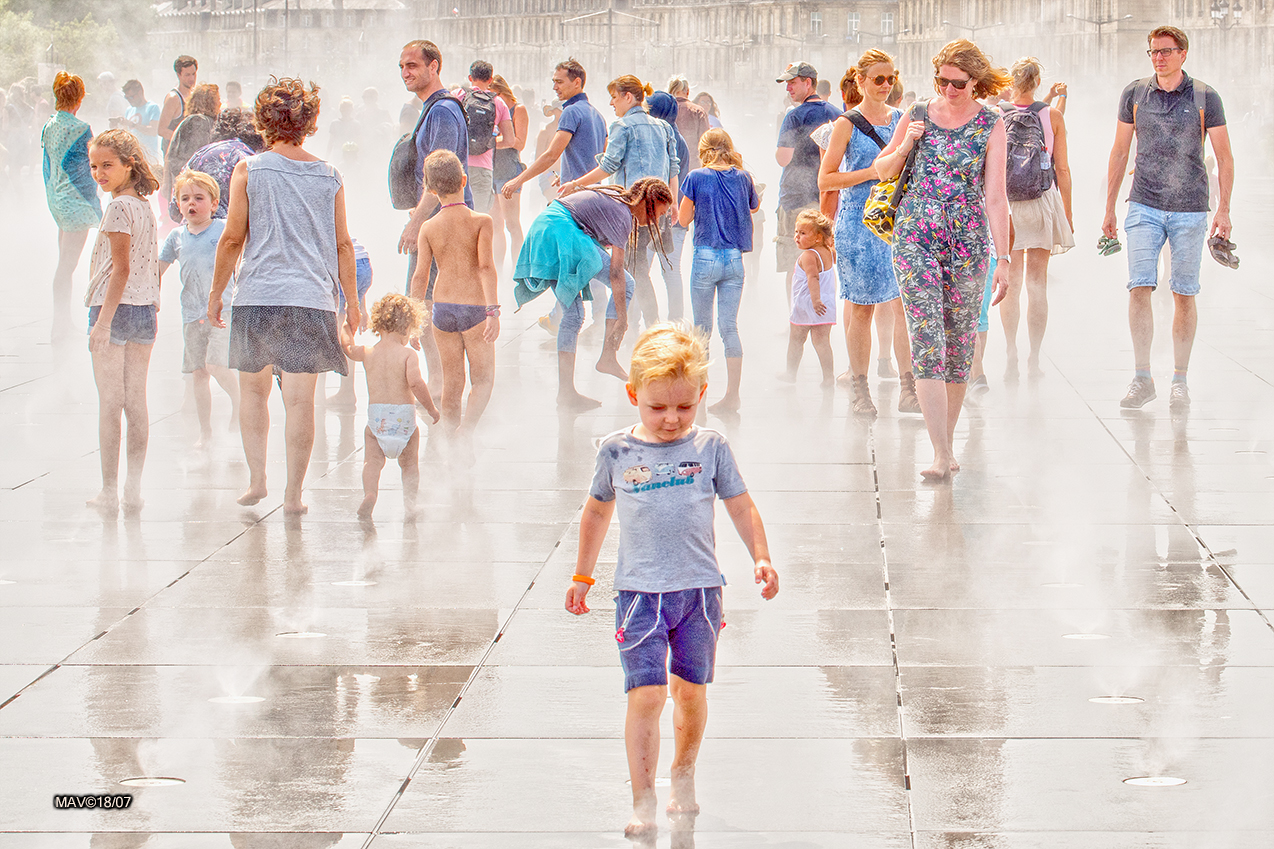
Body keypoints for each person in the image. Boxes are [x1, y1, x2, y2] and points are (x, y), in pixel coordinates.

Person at [566, 321, 778, 838]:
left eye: (684, 407)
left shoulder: (711, 447)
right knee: (646, 695)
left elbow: (741, 505)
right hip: (639, 595)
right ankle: (643, 797)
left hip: (700, 594)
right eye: (657, 407)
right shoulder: (617, 451)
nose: (671, 419)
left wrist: (761, 556)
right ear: (633, 394)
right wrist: (582, 575)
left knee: (689, 692)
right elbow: (595, 513)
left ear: (702, 395)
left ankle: (682, 772)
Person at [208, 78, 360, 515]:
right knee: (301, 401)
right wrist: (352, 303)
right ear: (309, 122)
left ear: (264, 121)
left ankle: (258, 479)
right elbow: (343, 244)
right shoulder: (329, 174)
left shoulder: (249, 170)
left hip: (258, 296)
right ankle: (294, 495)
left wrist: (217, 293)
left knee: (253, 394)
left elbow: (233, 237)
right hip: (311, 298)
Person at [875, 40, 1011, 481]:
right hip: (916, 235)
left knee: (958, 344)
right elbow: (883, 170)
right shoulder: (916, 114)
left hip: (968, 242)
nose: (948, 89)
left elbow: (995, 196)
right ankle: (937, 452)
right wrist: (902, 146)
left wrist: (1004, 259)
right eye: (942, 81)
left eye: (958, 83)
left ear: (976, 82)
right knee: (927, 339)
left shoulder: (991, 122)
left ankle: (948, 443)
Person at [1103, 25, 1232, 411]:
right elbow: (1119, 151)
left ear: (1183, 54)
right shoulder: (1135, 94)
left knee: (1183, 292)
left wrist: (1224, 209)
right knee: (1139, 286)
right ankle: (1142, 377)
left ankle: (1180, 379)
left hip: (1191, 207)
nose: (1159, 57)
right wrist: (1109, 207)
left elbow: (1224, 157)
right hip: (1143, 202)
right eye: (1154, 51)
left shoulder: (1206, 96)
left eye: (1166, 51)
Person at [818, 50, 920, 417]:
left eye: (890, 78)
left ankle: (910, 389)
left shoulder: (902, 120)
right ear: (860, 81)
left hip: (895, 222)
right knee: (861, 308)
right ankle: (860, 389)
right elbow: (826, 178)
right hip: (858, 225)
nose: (886, 85)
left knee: (904, 307)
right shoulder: (846, 123)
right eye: (878, 79)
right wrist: (871, 172)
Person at [513, 179, 673, 409]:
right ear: (649, 202)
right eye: (659, 213)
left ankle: (566, 394)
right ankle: (608, 355)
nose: (657, 220)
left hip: (546, 229)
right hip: (561, 230)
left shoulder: (618, 200)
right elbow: (617, 274)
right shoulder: (622, 214)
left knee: (573, 315)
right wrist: (623, 319)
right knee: (627, 283)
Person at [84, 129, 161, 514]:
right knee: (137, 402)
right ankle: (133, 487)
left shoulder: (117, 209)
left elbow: (121, 268)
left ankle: (109, 490)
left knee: (110, 404)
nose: (99, 173)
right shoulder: (145, 205)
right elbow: (149, 265)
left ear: (129, 164)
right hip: (144, 308)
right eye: (95, 166)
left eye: (107, 165)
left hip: (112, 310)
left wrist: (102, 325)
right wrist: (155, 302)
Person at [564, 76, 679, 332]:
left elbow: (608, 166)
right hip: (657, 212)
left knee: (633, 272)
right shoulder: (663, 127)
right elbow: (673, 166)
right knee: (636, 270)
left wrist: (575, 185)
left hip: (633, 211)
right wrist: (673, 202)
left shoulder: (623, 126)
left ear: (629, 97)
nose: (611, 103)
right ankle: (639, 325)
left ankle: (646, 327)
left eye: (615, 97)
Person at [397, 40, 470, 391]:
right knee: (431, 301)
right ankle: (443, 380)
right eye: (401, 67)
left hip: (442, 222)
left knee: (427, 302)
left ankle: (443, 383)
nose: (405, 73)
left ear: (434, 66)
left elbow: (440, 176)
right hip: (438, 219)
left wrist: (415, 223)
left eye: (412, 65)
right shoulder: (434, 109)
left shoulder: (441, 111)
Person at [412, 151, 499, 442]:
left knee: (452, 382)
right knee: (483, 379)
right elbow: (486, 267)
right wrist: (493, 310)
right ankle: (467, 432)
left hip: (443, 310)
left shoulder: (428, 226)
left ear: (431, 189)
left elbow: (420, 276)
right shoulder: (480, 221)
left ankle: (450, 441)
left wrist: (415, 319)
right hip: (475, 308)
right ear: (464, 180)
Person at [998, 57, 1075, 381]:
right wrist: (1067, 214)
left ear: (1013, 82)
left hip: (1008, 205)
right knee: (1037, 284)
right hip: (1042, 201)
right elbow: (1062, 169)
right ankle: (1034, 357)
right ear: (1038, 82)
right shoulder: (1052, 115)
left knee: (1011, 284)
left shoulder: (997, 115)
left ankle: (1010, 352)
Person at [678, 129, 759, 413]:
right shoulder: (743, 177)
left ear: (703, 150)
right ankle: (732, 396)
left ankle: (699, 396)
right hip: (734, 259)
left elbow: (683, 217)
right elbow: (754, 206)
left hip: (705, 256)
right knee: (729, 328)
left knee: (702, 330)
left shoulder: (696, 177)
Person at [340, 293, 440, 520]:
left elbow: (347, 347)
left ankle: (370, 494)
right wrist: (431, 408)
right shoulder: (408, 354)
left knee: (372, 462)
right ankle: (411, 505)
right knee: (410, 466)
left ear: (378, 325)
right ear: (407, 328)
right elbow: (416, 383)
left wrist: (347, 325)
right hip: (404, 420)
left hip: (377, 420)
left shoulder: (368, 352)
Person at [159, 169, 238, 445]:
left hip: (222, 310)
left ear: (214, 203)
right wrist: (151, 296)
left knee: (215, 364)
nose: (191, 203)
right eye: (185, 198)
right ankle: (206, 431)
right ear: (178, 204)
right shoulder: (176, 237)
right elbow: (159, 268)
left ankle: (238, 402)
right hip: (191, 313)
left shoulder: (223, 229)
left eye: (199, 198)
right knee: (198, 374)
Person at [42, 72, 102, 341]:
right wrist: (95, 202)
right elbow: (88, 169)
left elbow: (47, 166)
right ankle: (61, 324)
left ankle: (61, 320)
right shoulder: (81, 129)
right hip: (75, 203)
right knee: (66, 266)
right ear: (79, 99)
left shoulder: (49, 126)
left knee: (63, 264)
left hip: (57, 200)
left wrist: (51, 196)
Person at [775, 62, 842, 302]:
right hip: (829, 200)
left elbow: (783, 158)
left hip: (796, 200)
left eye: (792, 83)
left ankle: (796, 316)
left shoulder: (793, 116)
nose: (788, 89)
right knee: (825, 263)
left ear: (808, 82)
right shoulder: (837, 114)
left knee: (797, 263)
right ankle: (824, 316)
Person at [645, 91, 690, 320]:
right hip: (676, 213)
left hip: (658, 214)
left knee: (642, 270)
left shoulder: (659, 136)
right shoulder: (679, 138)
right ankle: (676, 320)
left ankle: (649, 320)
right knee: (671, 271)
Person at [174, 108, 265, 221]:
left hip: (195, 231)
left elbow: (174, 206)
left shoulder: (201, 153)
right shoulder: (248, 157)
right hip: (234, 233)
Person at [784, 210, 837, 385]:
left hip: (807, 304)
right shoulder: (828, 252)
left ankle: (790, 374)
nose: (797, 237)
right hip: (826, 305)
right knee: (822, 342)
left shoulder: (808, 255)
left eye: (803, 233)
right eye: (796, 232)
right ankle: (828, 377)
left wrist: (815, 300)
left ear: (818, 238)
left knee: (796, 340)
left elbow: (812, 277)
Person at [461, 61, 516, 218]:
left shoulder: (458, 95)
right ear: (490, 79)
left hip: (459, 165)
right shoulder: (498, 103)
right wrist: (487, 144)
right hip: (482, 168)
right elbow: (510, 140)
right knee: (477, 219)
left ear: (470, 77)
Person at [162, 83, 220, 217]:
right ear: (210, 102)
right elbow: (195, 157)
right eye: (217, 100)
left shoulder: (195, 121)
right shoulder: (198, 122)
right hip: (193, 188)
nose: (220, 103)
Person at [489, 74, 528, 266]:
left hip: (509, 172)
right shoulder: (491, 110)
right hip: (493, 170)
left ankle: (517, 269)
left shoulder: (517, 109)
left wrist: (493, 142)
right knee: (496, 225)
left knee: (512, 224)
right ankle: (497, 270)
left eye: (493, 95)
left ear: (500, 92)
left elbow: (519, 143)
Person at [158, 55, 198, 158]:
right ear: (179, 75)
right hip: (174, 156)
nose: (192, 78)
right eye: (187, 75)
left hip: (190, 155)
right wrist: (184, 141)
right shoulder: (173, 98)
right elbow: (162, 130)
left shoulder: (195, 95)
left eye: (193, 74)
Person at [667, 75, 708, 167]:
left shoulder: (664, 110)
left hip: (668, 167)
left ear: (669, 91)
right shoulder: (698, 111)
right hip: (693, 165)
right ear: (688, 91)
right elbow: (706, 141)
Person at [116, 80, 161, 162]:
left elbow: (153, 131)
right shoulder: (129, 110)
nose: (129, 100)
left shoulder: (152, 107)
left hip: (149, 158)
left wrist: (133, 125)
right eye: (127, 98)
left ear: (140, 93)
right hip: (134, 158)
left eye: (132, 97)